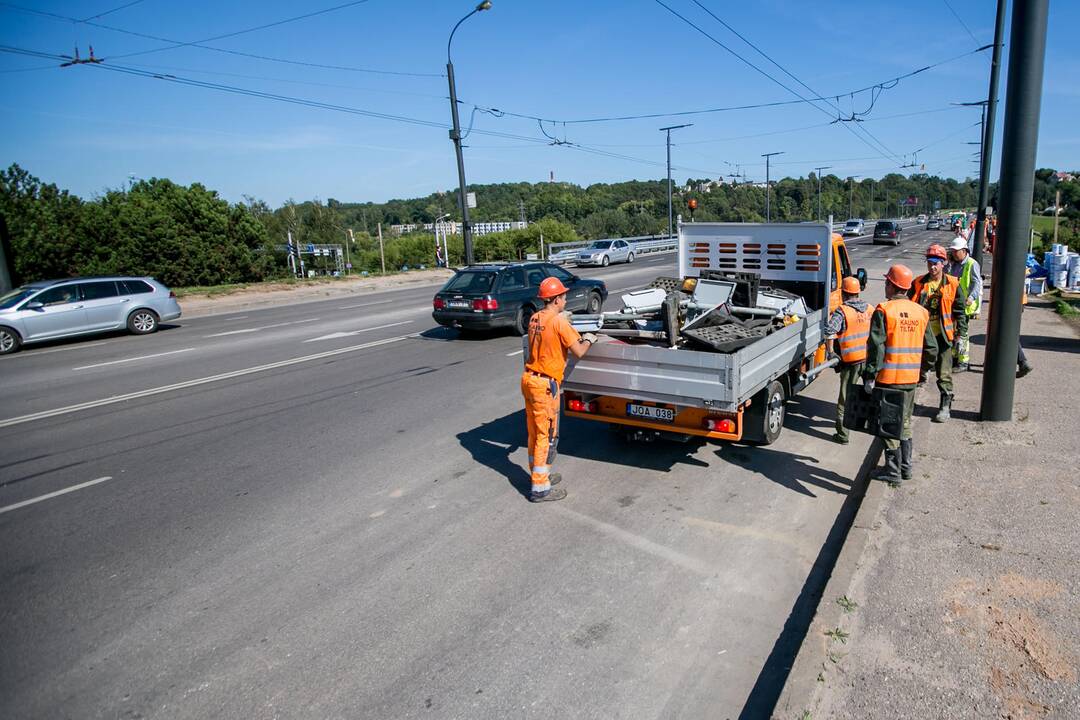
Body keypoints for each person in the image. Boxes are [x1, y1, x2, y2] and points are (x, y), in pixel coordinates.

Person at [522, 276, 597, 503]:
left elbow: (547, 333)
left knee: (535, 433)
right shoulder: (559, 323)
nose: (566, 299)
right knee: (546, 435)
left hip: (529, 380)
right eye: (563, 296)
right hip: (545, 385)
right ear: (556, 300)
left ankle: (540, 472)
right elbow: (579, 352)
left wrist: (560, 319)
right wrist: (590, 339)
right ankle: (540, 489)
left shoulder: (536, 317)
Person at [863, 265, 938, 483]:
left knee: (887, 426)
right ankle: (906, 468)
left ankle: (892, 471)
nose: (885, 286)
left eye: (886, 282)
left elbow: (876, 347)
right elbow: (931, 348)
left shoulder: (884, 310)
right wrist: (923, 371)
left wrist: (870, 375)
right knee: (904, 422)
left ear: (892, 285)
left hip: (889, 380)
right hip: (910, 380)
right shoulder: (921, 312)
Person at [910, 244, 965, 422]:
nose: (932, 267)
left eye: (936, 263)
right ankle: (908, 403)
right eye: (929, 263)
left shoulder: (953, 284)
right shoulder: (918, 283)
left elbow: (960, 311)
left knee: (944, 373)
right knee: (916, 371)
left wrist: (961, 335)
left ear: (943, 263)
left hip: (942, 337)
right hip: (922, 337)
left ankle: (945, 405)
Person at [825, 275, 871, 445]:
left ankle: (843, 435)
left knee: (845, 399)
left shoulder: (842, 311)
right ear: (858, 292)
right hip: (868, 360)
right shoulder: (870, 309)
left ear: (843, 293)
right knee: (867, 392)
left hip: (851, 362)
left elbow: (830, 330)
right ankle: (864, 422)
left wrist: (830, 352)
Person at [947, 236, 982, 371]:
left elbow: (976, 283)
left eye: (956, 251)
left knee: (962, 333)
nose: (954, 254)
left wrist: (971, 298)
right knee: (954, 332)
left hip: (965, 306)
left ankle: (963, 362)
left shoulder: (972, 264)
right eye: (953, 251)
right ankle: (955, 357)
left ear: (964, 250)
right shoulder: (954, 264)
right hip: (954, 304)